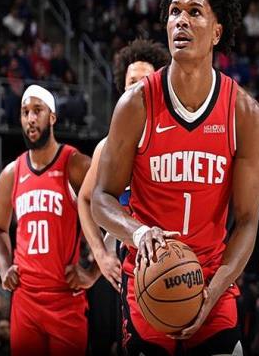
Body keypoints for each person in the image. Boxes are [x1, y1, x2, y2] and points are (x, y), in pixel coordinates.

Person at [92, 0, 259, 355]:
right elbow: (101, 198)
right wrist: (138, 233)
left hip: (213, 282)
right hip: (148, 279)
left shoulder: (244, 113)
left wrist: (213, 291)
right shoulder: (135, 104)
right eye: (174, 12)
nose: (181, 21)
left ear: (217, 31)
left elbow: (247, 221)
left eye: (194, 12)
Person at [0, 84, 100, 355]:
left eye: (37, 110)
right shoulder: (12, 173)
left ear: (52, 117)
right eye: (25, 112)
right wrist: (4, 269)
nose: (30, 118)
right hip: (25, 299)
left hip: (65, 297)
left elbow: (110, 212)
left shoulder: (75, 164)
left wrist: (93, 272)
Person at [78, 38, 170, 355]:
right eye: (132, 82)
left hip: (167, 260)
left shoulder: (173, 140)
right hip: (125, 262)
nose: (139, 87)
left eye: (146, 80)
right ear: (122, 90)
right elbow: (85, 199)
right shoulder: (108, 146)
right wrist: (100, 255)